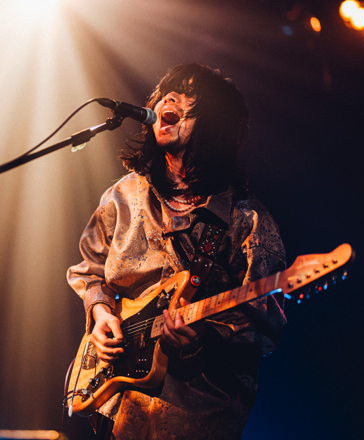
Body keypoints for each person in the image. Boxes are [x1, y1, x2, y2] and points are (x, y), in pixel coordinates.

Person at [67, 63, 286, 439]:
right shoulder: (123, 195)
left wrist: (204, 339)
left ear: (215, 123)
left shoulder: (247, 222)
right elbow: (90, 268)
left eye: (189, 96)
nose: (170, 98)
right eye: (167, 92)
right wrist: (101, 313)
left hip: (196, 413)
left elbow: (264, 324)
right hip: (114, 402)